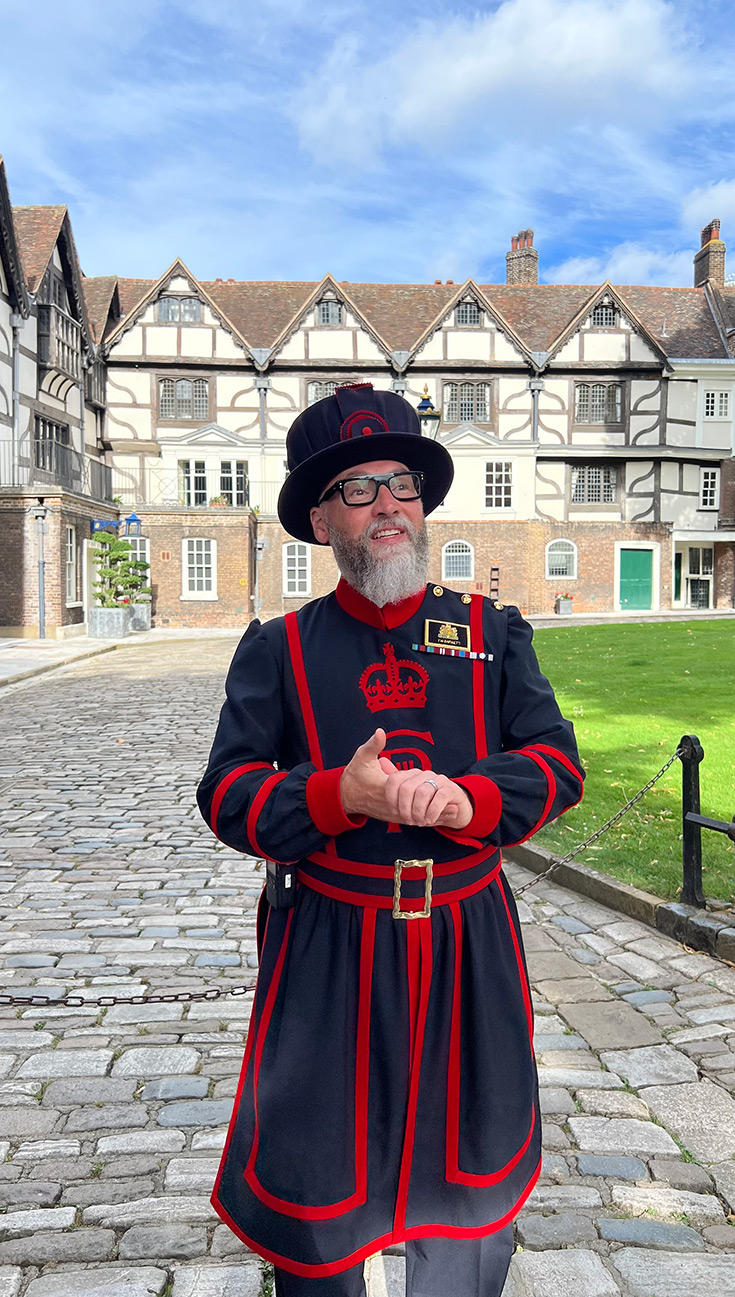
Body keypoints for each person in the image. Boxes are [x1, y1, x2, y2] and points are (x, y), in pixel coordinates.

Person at [197, 383, 584, 1297]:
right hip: (328, 946)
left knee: (468, 1191)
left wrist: (465, 800)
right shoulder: (279, 647)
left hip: (466, 940)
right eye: (358, 489)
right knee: (317, 1195)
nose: (387, 506)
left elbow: (556, 763)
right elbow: (227, 793)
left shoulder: (492, 632)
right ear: (320, 518)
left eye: (401, 484)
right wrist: (337, 793)